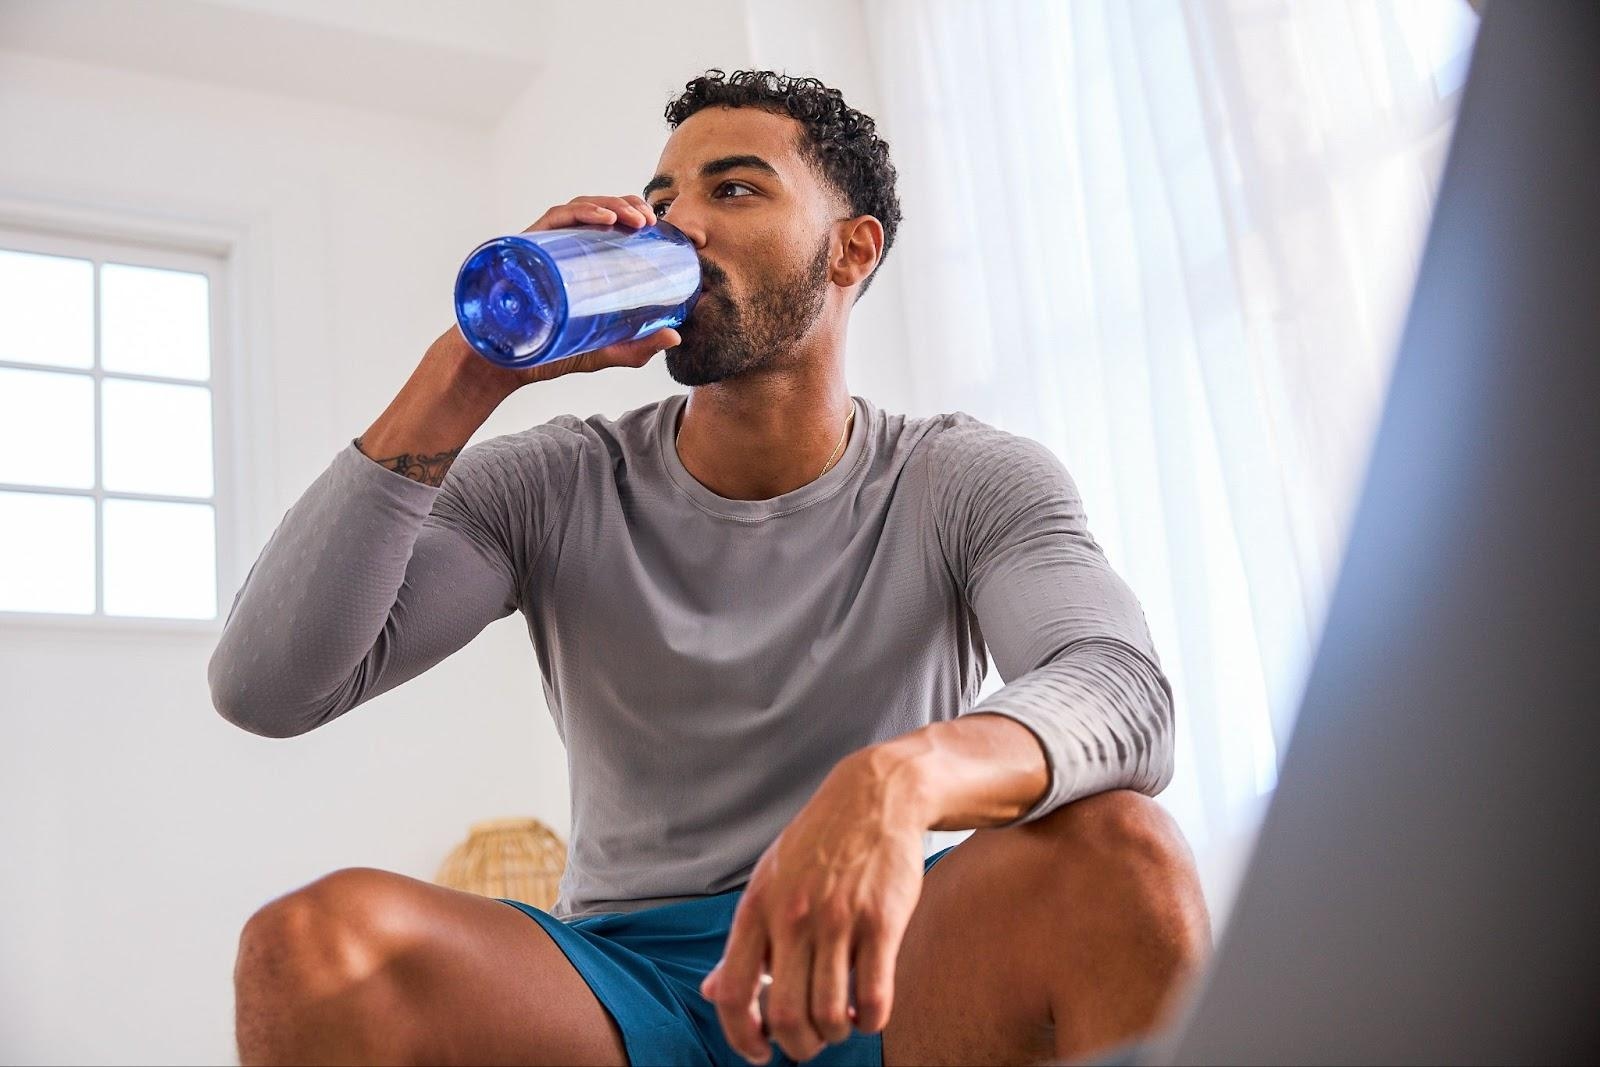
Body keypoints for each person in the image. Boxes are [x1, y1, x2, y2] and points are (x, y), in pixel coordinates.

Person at [210, 68, 1210, 1067]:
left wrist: (895, 782)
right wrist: (469, 375)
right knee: (312, 946)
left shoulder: (962, 477)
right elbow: (268, 685)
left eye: (733, 189)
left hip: (878, 964)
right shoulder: (555, 482)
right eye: (660, 201)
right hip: (621, 986)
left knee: (1119, 851)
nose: (677, 225)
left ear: (849, 249)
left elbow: (1123, 690)